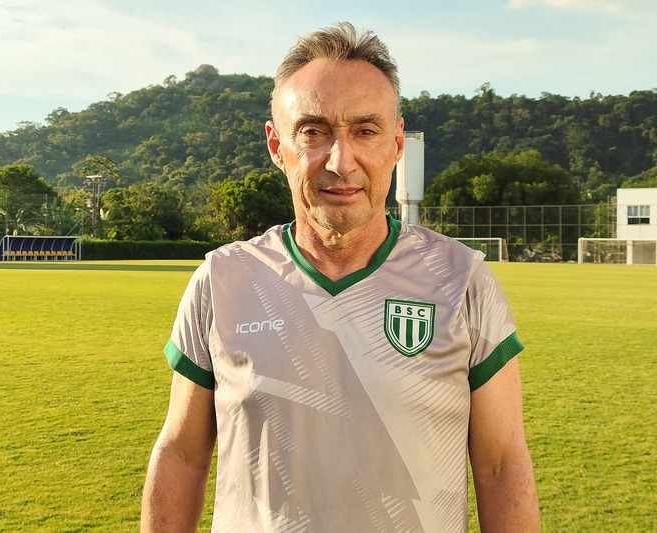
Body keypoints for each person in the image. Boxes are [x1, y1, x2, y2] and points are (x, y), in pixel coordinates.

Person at [141, 22, 540, 532]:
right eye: (313, 131)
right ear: (275, 144)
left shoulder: (462, 280)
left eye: (365, 131)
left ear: (397, 143)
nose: (340, 159)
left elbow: (501, 465)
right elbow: (181, 455)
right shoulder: (223, 279)